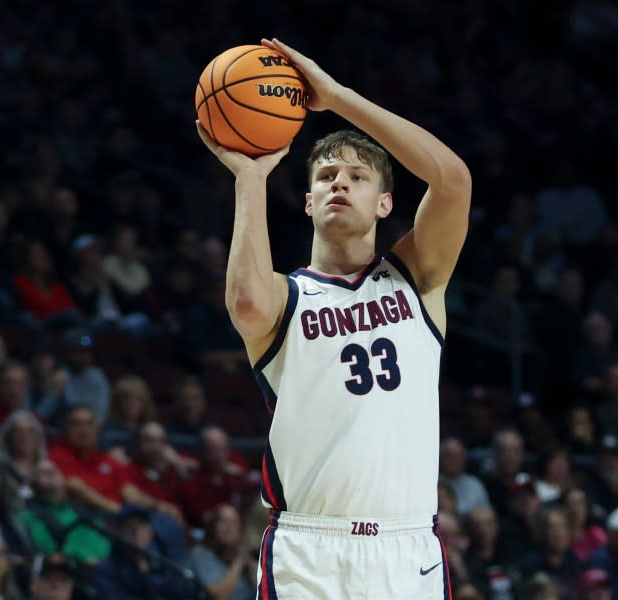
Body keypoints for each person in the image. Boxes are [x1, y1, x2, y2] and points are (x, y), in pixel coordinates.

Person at [195, 37, 471, 598]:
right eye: (325, 177)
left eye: (357, 176)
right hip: (309, 548)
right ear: (307, 201)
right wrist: (250, 176)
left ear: (385, 204)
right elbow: (245, 303)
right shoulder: (285, 297)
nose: (338, 183)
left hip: (407, 547)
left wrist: (337, 97)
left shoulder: (417, 278)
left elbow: (452, 180)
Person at [184, 503, 255, 600]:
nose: (229, 526)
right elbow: (219, 595)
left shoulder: (240, 552)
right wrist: (239, 560)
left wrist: (249, 561)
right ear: (212, 526)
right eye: (223, 521)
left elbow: (263, 587)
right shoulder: (201, 554)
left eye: (234, 522)